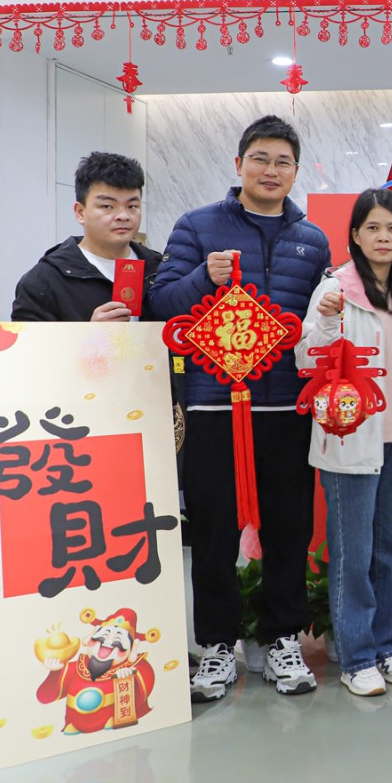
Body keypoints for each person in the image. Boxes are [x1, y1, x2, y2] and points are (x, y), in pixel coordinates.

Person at [150, 115, 332, 701]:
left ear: (295, 172)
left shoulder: (313, 240)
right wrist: (204, 277)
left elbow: (320, 323)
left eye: (283, 162)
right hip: (213, 409)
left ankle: (282, 642)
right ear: (239, 165)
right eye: (260, 159)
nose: (271, 171)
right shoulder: (197, 226)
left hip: (287, 409)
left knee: (289, 531)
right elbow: (161, 302)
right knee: (212, 533)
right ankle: (216, 648)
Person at [296, 189, 392, 698]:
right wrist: (328, 320)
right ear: (355, 235)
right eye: (373, 228)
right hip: (350, 439)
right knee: (353, 554)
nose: (383, 237)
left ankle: (388, 649)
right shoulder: (335, 288)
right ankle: (356, 658)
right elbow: (306, 358)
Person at [12, 151, 163, 323]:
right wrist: (89, 333)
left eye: (132, 206)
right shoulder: (45, 280)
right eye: (107, 206)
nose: (123, 216)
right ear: (80, 212)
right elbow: (29, 340)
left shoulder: (159, 270)